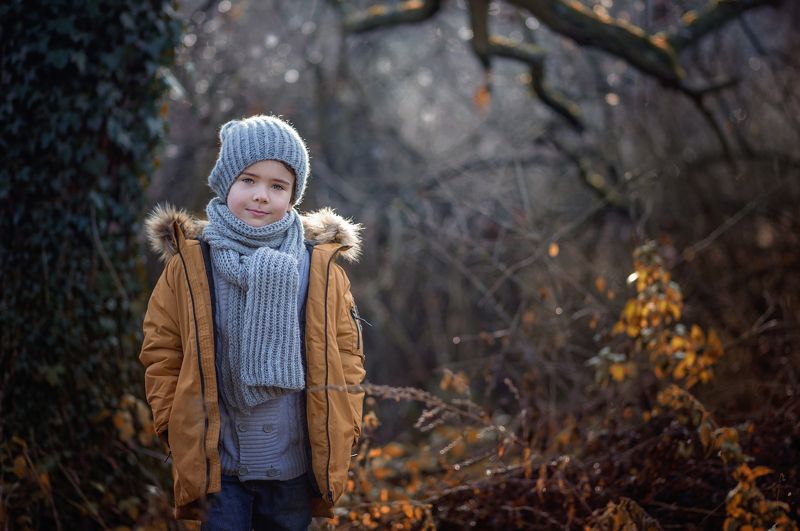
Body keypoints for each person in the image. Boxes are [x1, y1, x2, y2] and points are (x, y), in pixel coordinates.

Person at [139, 115, 366, 530]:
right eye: (248, 180)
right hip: (220, 467)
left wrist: (345, 423)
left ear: (293, 196)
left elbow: (346, 353)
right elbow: (161, 349)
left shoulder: (317, 267)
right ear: (225, 183)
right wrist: (173, 422)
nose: (261, 195)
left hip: (293, 466)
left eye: (277, 186)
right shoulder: (191, 264)